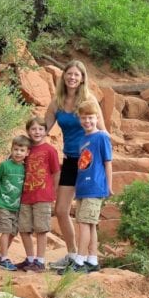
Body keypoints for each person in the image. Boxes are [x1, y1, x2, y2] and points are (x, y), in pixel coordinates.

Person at [44, 59, 105, 270]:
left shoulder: (89, 100)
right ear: (64, 77)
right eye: (69, 74)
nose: (72, 78)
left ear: (82, 78)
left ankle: (88, 258)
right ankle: (72, 254)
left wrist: (104, 165)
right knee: (61, 210)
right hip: (70, 160)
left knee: (84, 214)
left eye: (76, 75)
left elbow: (103, 132)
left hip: (88, 162)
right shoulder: (57, 102)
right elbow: (43, 129)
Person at [61, 98, 112, 274]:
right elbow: (82, 165)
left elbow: (108, 162)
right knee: (89, 224)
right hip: (83, 187)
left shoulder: (102, 137)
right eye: (83, 118)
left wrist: (109, 186)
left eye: (90, 117)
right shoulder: (83, 140)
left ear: (97, 118)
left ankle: (80, 260)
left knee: (83, 223)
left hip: (95, 186)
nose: (87, 121)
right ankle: (92, 259)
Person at [16, 115, 61, 273]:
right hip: (26, 196)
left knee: (41, 229)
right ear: (28, 131)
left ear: (45, 131)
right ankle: (29, 259)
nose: (37, 132)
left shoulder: (50, 150)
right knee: (24, 228)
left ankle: (40, 261)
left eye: (40, 129)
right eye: (33, 129)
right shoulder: (25, 149)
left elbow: (56, 173)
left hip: (43, 195)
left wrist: (54, 193)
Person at [0, 134, 31, 270]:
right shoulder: (4, 165)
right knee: (5, 231)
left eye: (22, 150)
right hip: (3, 204)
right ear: (11, 150)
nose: (18, 153)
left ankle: (0, 256)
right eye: (16, 149)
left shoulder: (25, 168)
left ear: (27, 152)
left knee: (13, 232)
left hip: (17, 207)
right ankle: (4, 258)